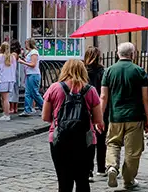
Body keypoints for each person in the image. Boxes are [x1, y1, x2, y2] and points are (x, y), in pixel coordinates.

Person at [42, 59, 104, 192]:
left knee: (64, 181)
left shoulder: (54, 88)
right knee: (82, 180)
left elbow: (45, 117)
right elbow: (98, 119)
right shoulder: (90, 90)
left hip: (59, 138)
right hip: (85, 140)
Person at [100, 42, 148, 190]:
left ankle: (111, 167)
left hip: (115, 116)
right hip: (135, 117)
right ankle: (128, 180)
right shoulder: (139, 71)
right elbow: (145, 98)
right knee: (132, 151)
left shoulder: (109, 71)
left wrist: (99, 117)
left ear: (117, 53)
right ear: (133, 54)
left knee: (113, 144)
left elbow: (103, 97)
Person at [84, 47, 106, 179]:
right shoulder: (103, 72)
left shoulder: (83, 73)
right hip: (101, 106)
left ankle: (89, 170)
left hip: (86, 107)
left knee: (89, 140)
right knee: (101, 139)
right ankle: (101, 168)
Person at [0, 42, 17, 121]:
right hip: (11, 80)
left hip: (3, 79)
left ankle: (6, 115)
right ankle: (5, 113)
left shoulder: (0, 57)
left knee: (4, 98)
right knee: (6, 98)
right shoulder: (13, 57)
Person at [18, 38, 43, 117]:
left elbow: (33, 64)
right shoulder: (29, 52)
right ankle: (27, 110)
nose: (25, 45)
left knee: (35, 93)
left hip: (34, 74)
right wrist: (23, 58)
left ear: (30, 44)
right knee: (28, 93)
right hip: (29, 74)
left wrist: (22, 62)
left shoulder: (34, 52)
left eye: (26, 43)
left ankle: (45, 108)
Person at [10, 40, 24, 114]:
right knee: (16, 90)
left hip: (12, 73)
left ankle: (12, 108)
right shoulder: (18, 54)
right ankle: (15, 108)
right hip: (16, 72)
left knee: (12, 90)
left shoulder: (13, 54)